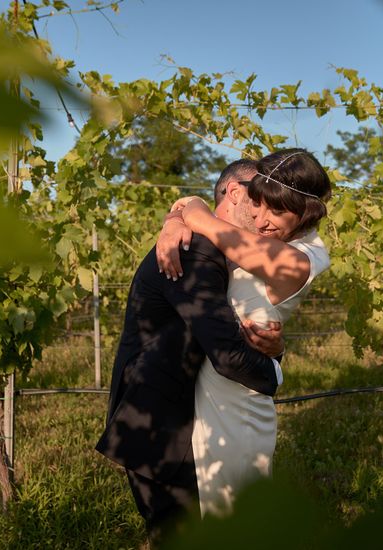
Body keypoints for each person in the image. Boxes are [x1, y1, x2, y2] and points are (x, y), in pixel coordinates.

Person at [94, 161, 286, 545]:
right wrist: (275, 372)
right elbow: (228, 354)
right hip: (160, 430)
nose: (267, 213)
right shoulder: (193, 250)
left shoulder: (216, 251)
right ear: (235, 193)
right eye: (261, 198)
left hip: (180, 421)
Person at [156, 148, 332, 517]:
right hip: (210, 388)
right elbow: (199, 206)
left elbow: (211, 223)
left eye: (279, 212)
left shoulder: (303, 258)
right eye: (259, 204)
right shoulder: (266, 236)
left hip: (237, 400)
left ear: (307, 213)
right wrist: (176, 218)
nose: (263, 220)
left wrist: (188, 213)